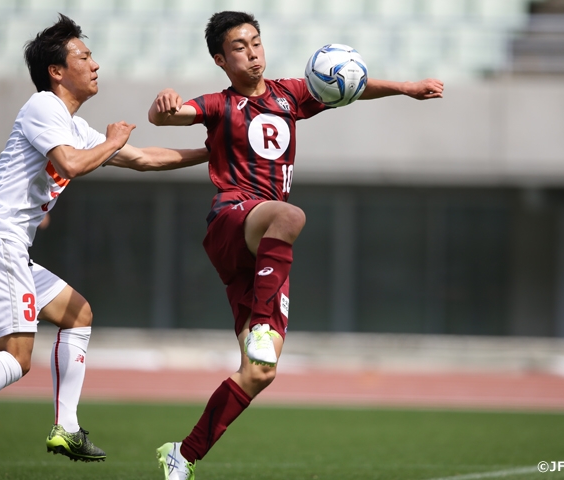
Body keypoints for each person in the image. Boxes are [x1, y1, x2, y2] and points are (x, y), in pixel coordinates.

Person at [140, 10, 444, 480]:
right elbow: (169, 116)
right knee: (290, 213)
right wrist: (160, 108)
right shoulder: (220, 105)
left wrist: (405, 87)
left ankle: (183, 454)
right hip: (232, 220)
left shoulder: (290, 94)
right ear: (221, 60)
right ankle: (263, 322)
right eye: (239, 47)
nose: (252, 51)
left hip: (262, 253)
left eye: (256, 41)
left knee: (260, 373)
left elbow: (351, 86)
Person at [0, 14, 207, 463]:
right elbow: (70, 164)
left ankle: (66, 428)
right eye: (84, 56)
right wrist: (113, 140)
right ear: (57, 71)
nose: (95, 64)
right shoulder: (43, 106)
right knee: (16, 360)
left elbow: (145, 159)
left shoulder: (75, 127)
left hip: (6, 248)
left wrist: (215, 150)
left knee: (77, 313)